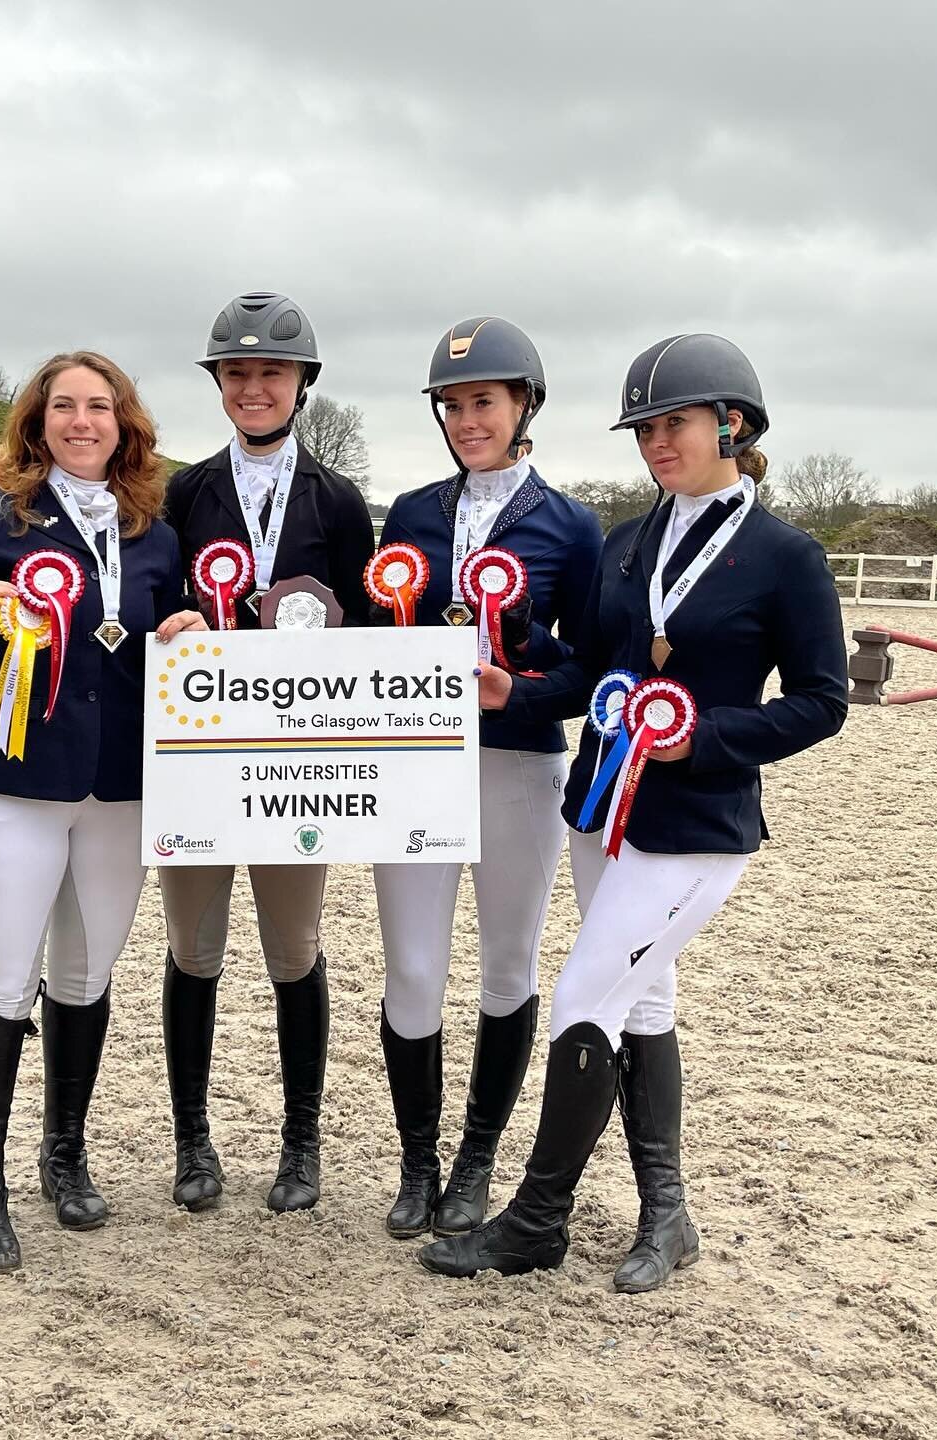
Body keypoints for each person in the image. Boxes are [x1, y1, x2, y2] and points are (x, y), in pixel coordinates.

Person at [419, 333, 849, 1289]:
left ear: (731, 424)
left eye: (675, 423)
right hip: (601, 812)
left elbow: (823, 700)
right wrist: (514, 689)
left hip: (695, 828)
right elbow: (591, 669)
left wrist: (707, 740)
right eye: (645, 427)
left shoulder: (786, 557)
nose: (656, 442)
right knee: (642, 1001)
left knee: (581, 1000)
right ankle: (668, 1215)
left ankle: (538, 1218)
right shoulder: (627, 544)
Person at [0, 351, 195, 1273]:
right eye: (62, 406)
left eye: (99, 406)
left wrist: (189, 632)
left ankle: (63, 1155)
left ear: (125, 423)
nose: (81, 420)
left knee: (86, 971)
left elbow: (159, 642)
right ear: (36, 421)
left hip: (119, 788)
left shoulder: (156, 531)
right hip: (11, 781)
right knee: (2, 975)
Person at [372, 317, 603, 1240]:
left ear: (524, 408)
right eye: (455, 405)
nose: (470, 419)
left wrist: (521, 681)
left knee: (507, 963)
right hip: (416, 766)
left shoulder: (571, 526)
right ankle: (416, 1160)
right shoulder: (413, 514)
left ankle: (476, 1159)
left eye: (486, 403)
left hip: (517, 766)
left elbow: (593, 671)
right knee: (414, 969)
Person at [156, 291, 375, 1214]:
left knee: (294, 950)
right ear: (219, 387)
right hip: (203, 762)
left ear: (300, 387)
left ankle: (300, 1141)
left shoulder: (339, 502)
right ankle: (194, 1143)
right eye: (237, 374)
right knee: (192, 950)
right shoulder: (182, 494)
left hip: (299, 767)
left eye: (270, 374)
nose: (254, 388)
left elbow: (368, 629)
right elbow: (158, 602)